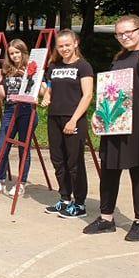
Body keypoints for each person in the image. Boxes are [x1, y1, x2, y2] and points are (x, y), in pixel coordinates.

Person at [83, 15, 139, 241]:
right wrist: (98, 113)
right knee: (109, 172)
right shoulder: (118, 59)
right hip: (116, 124)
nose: (124, 37)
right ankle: (106, 218)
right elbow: (111, 94)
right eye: (119, 34)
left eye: (128, 32)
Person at [39, 29, 94, 218]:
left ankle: (79, 203)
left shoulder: (84, 66)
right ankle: (64, 198)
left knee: (74, 162)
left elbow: (87, 95)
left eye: (67, 45)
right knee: (58, 160)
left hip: (74, 119)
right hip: (54, 118)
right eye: (60, 46)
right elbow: (50, 87)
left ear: (75, 43)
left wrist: (73, 120)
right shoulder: (53, 66)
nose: (64, 49)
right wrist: (46, 95)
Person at [0, 39, 34, 196]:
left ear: (23, 52)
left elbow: (40, 92)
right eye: (11, 53)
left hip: (27, 111)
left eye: (17, 52)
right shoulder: (6, 69)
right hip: (10, 110)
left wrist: (30, 77)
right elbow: (2, 97)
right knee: (2, 147)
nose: (14, 56)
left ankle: (21, 183)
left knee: (24, 147)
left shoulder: (32, 68)